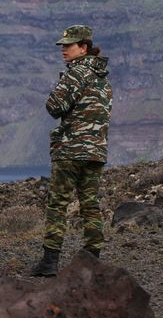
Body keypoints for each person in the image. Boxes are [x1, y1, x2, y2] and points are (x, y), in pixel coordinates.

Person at [31, 25, 112, 277]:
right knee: (91, 203)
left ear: (83, 47)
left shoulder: (76, 74)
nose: (64, 49)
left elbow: (54, 106)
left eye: (69, 45)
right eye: (63, 45)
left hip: (71, 151)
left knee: (58, 203)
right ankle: (92, 259)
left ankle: (49, 263)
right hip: (96, 151)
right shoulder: (102, 78)